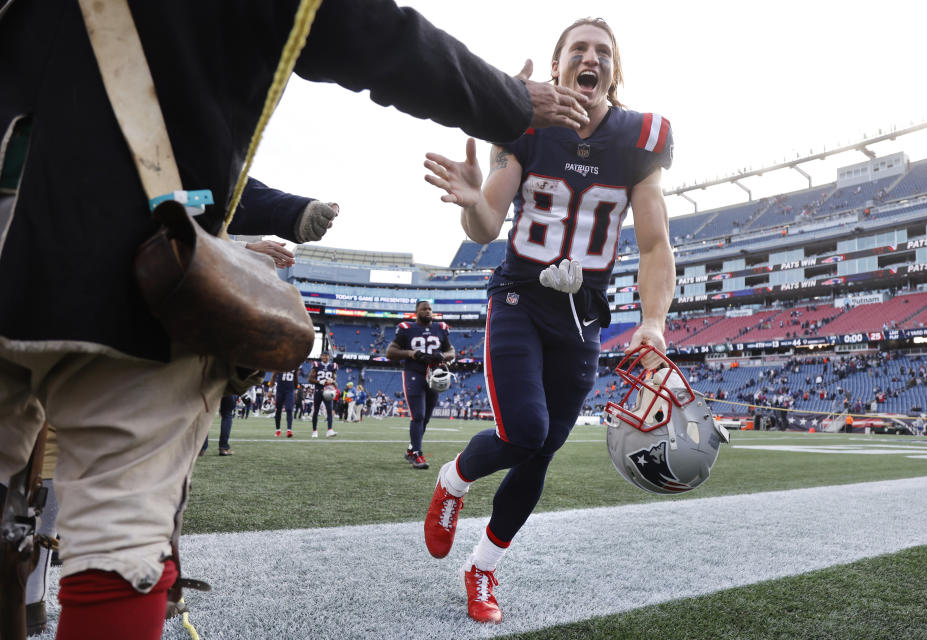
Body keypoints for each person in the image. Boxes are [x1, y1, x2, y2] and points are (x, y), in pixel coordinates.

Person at [0, 1, 591, 636]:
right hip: (128, 268)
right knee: (121, 535)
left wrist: (288, 210)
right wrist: (507, 100)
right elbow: (361, 30)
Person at [421, 17, 675, 624]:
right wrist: (473, 199)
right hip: (520, 300)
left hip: (583, 317)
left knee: (541, 454)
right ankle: (453, 481)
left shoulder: (641, 138)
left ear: (615, 71)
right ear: (557, 66)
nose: (591, 59)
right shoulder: (524, 123)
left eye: (603, 52)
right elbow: (486, 226)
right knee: (526, 430)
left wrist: (654, 321)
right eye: (578, 50)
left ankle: (482, 567)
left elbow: (655, 243)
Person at [386, 300, 456, 469]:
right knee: (418, 415)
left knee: (425, 418)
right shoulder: (407, 329)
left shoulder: (440, 328)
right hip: (414, 374)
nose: (428, 311)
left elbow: (451, 352)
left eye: (430, 309)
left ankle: (411, 449)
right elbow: (390, 352)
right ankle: (417, 454)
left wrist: (442, 356)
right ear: (416, 311)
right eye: (424, 308)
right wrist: (411, 353)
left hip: (434, 375)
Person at [309, 351, 339, 438]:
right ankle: (314, 431)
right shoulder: (317, 365)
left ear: (329, 357)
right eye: (323, 356)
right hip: (318, 390)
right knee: (316, 411)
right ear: (321, 357)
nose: (325, 357)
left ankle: (329, 430)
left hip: (328, 391)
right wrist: (319, 381)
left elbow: (334, 379)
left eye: (326, 356)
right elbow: (310, 379)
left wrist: (333, 381)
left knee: (329, 411)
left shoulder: (333, 366)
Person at [271, 367, 300, 438]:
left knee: (289, 409)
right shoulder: (280, 364)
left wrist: (296, 391)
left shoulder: (294, 365)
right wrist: (270, 389)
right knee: (278, 410)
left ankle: (289, 430)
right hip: (280, 390)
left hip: (290, 390)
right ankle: (278, 430)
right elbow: (273, 377)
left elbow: (296, 379)